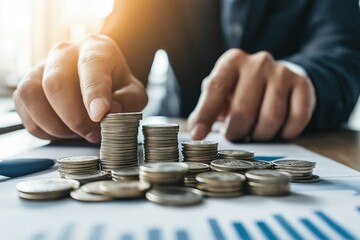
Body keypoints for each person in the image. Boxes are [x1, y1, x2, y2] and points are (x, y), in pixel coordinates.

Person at [13, 0, 360, 143]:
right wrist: (83, 74)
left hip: (308, 137)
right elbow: (118, 52)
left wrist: (301, 76)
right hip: (188, 130)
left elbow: (341, 51)